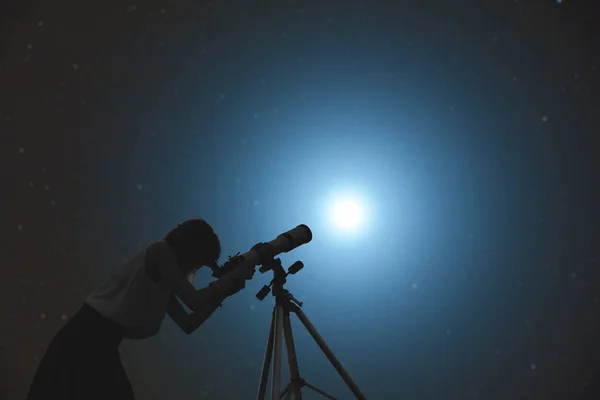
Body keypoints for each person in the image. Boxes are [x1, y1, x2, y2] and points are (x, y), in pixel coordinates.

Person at [26, 218, 254, 400]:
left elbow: (188, 323)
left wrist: (224, 292)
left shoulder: (166, 280)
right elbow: (193, 300)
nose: (197, 267)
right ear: (192, 247)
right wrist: (229, 279)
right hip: (86, 337)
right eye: (201, 260)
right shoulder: (160, 252)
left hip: (100, 341)